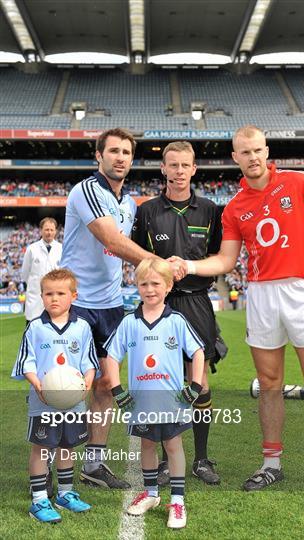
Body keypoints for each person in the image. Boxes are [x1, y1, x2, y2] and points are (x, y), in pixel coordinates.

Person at [172, 125, 304, 498]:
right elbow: (225, 259)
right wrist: (187, 266)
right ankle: (272, 464)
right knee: (268, 383)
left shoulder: (300, 182)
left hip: (302, 289)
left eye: (257, 150)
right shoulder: (235, 207)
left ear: (266, 151)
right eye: (244, 152)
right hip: (261, 295)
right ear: (235, 158)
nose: (252, 158)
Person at [61, 128, 181, 490]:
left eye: (126, 152)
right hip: (77, 304)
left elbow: (122, 252)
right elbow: (112, 240)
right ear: (99, 156)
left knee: (104, 387)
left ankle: (93, 465)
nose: (120, 157)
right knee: (67, 389)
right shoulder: (86, 191)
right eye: (113, 151)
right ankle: (54, 468)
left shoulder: (129, 204)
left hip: (112, 308)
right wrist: (162, 263)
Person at [132, 141, 222, 485]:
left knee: (198, 380)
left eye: (186, 165)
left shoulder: (211, 210)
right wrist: (158, 266)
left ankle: (201, 459)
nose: (180, 171)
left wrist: (192, 267)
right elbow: (136, 255)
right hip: (160, 303)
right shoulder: (148, 210)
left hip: (197, 301)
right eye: (173, 165)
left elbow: (218, 258)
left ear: (194, 169)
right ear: (164, 169)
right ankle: (170, 459)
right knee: (163, 380)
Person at [105, 259, 204, 529]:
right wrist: (117, 390)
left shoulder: (176, 320)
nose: (149, 289)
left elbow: (197, 351)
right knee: (147, 445)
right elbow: (112, 356)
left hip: (172, 401)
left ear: (169, 286)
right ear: (136, 285)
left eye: (155, 283)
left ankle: (178, 500)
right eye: (143, 283)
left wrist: (194, 386)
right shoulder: (129, 322)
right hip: (141, 401)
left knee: (173, 446)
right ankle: (150, 494)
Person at [11, 269, 99, 523]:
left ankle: (65, 493)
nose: (54, 298)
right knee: (41, 447)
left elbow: (89, 363)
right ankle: (39, 500)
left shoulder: (82, 327)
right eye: (48, 293)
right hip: (44, 402)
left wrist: (87, 385)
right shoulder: (35, 328)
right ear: (42, 296)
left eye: (61, 293)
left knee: (66, 446)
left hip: (73, 403)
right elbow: (26, 363)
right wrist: (38, 384)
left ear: (73, 296)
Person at [21, 217, 62, 323]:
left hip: (55, 295)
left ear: (56, 231)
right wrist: (35, 285)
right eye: (46, 229)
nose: (49, 233)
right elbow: (25, 274)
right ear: (41, 230)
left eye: (52, 230)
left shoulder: (61, 249)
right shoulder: (32, 249)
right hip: (36, 296)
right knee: (33, 327)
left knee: (54, 329)